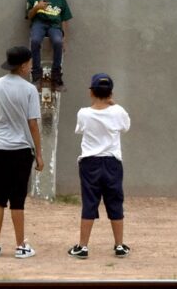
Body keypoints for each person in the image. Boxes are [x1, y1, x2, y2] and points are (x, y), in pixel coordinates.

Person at [0, 46, 44, 259]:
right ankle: (20, 246)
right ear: (23, 65)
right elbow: (33, 125)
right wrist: (38, 153)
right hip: (20, 149)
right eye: (29, 63)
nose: (31, 66)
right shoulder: (29, 90)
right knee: (17, 199)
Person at [67, 73, 132, 259]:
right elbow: (126, 126)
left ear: (91, 92)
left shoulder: (83, 113)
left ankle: (83, 246)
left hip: (90, 162)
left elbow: (80, 129)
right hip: (112, 162)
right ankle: (119, 245)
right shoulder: (118, 111)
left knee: (90, 201)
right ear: (111, 93)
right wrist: (113, 104)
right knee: (115, 201)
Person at [25, 0, 73, 87]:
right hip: (38, 23)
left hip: (54, 25)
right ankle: (36, 73)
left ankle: (56, 74)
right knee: (35, 41)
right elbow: (29, 16)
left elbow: (64, 19)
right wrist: (37, 7)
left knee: (57, 42)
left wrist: (65, 39)